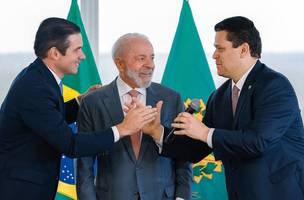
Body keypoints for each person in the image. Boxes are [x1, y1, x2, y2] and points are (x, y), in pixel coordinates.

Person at [146, 16, 304, 200]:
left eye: (220, 49)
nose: (214, 55)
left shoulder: (275, 86)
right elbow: (196, 150)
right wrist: (157, 131)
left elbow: (259, 142)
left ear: (244, 49)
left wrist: (205, 132)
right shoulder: (219, 96)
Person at [0, 18, 157, 200]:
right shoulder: (36, 88)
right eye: (77, 50)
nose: (82, 56)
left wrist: (81, 101)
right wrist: (124, 128)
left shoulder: (38, 76)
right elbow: (71, 145)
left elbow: (48, 120)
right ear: (55, 54)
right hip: (20, 191)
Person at [76, 33, 192, 200]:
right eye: (141, 59)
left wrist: (182, 197)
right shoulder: (93, 102)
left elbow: (183, 156)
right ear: (120, 64)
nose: (150, 65)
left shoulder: (171, 98)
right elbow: (83, 165)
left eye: (152, 58)